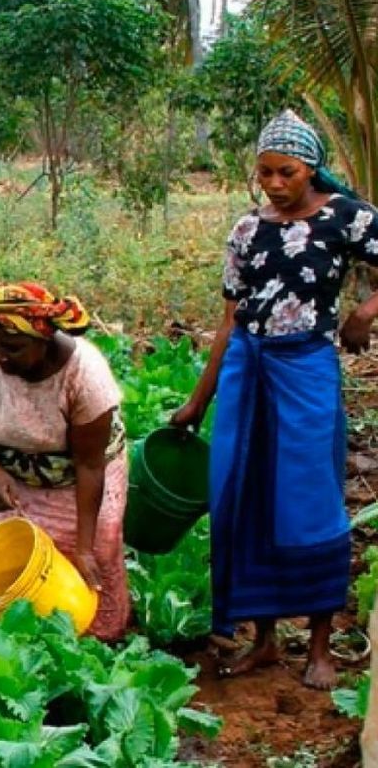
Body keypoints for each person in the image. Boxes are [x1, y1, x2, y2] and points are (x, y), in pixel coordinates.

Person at [171, 110, 378, 690]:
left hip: (306, 367)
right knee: (245, 495)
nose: (275, 184)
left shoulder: (345, 216)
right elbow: (230, 320)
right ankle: (263, 640)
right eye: (265, 173)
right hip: (248, 368)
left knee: (311, 499)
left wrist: (364, 312)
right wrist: (199, 400)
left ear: (311, 169)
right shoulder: (246, 230)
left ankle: (319, 645)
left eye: (286, 172)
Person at [0, 282, 131, 641]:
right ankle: (23, 639)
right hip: (14, 473)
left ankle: (102, 641)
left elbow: (90, 467)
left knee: (94, 554)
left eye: (13, 348)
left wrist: (84, 547)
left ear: (43, 340)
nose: (0, 356)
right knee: (16, 556)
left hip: (82, 475)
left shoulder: (85, 376)